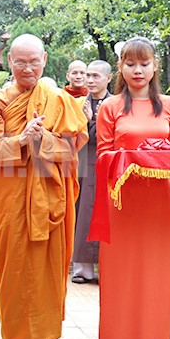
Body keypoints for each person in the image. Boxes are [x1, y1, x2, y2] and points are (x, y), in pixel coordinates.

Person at [0, 34, 87, 339]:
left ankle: (41, 337)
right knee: (11, 267)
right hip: (10, 195)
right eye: (20, 62)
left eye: (33, 61)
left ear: (44, 60)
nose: (27, 68)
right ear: (9, 63)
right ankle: (11, 337)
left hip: (48, 193)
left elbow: (74, 145)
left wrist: (45, 140)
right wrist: (23, 140)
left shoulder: (59, 99)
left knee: (46, 267)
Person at [94, 37, 170, 339]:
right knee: (122, 275)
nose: (138, 70)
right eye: (130, 64)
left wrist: (157, 155)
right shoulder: (111, 106)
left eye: (144, 64)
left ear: (154, 66)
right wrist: (131, 156)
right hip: (122, 199)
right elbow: (103, 155)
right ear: (121, 68)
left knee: (156, 275)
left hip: (158, 201)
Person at [71, 60, 112, 283]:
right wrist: (85, 122)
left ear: (108, 78)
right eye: (88, 75)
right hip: (83, 160)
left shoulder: (116, 104)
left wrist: (94, 120)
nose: (91, 80)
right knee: (82, 212)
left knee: (104, 212)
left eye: (96, 76)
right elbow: (69, 133)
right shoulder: (77, 103)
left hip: (106, 162)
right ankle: (82, 268)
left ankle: (108, 265)